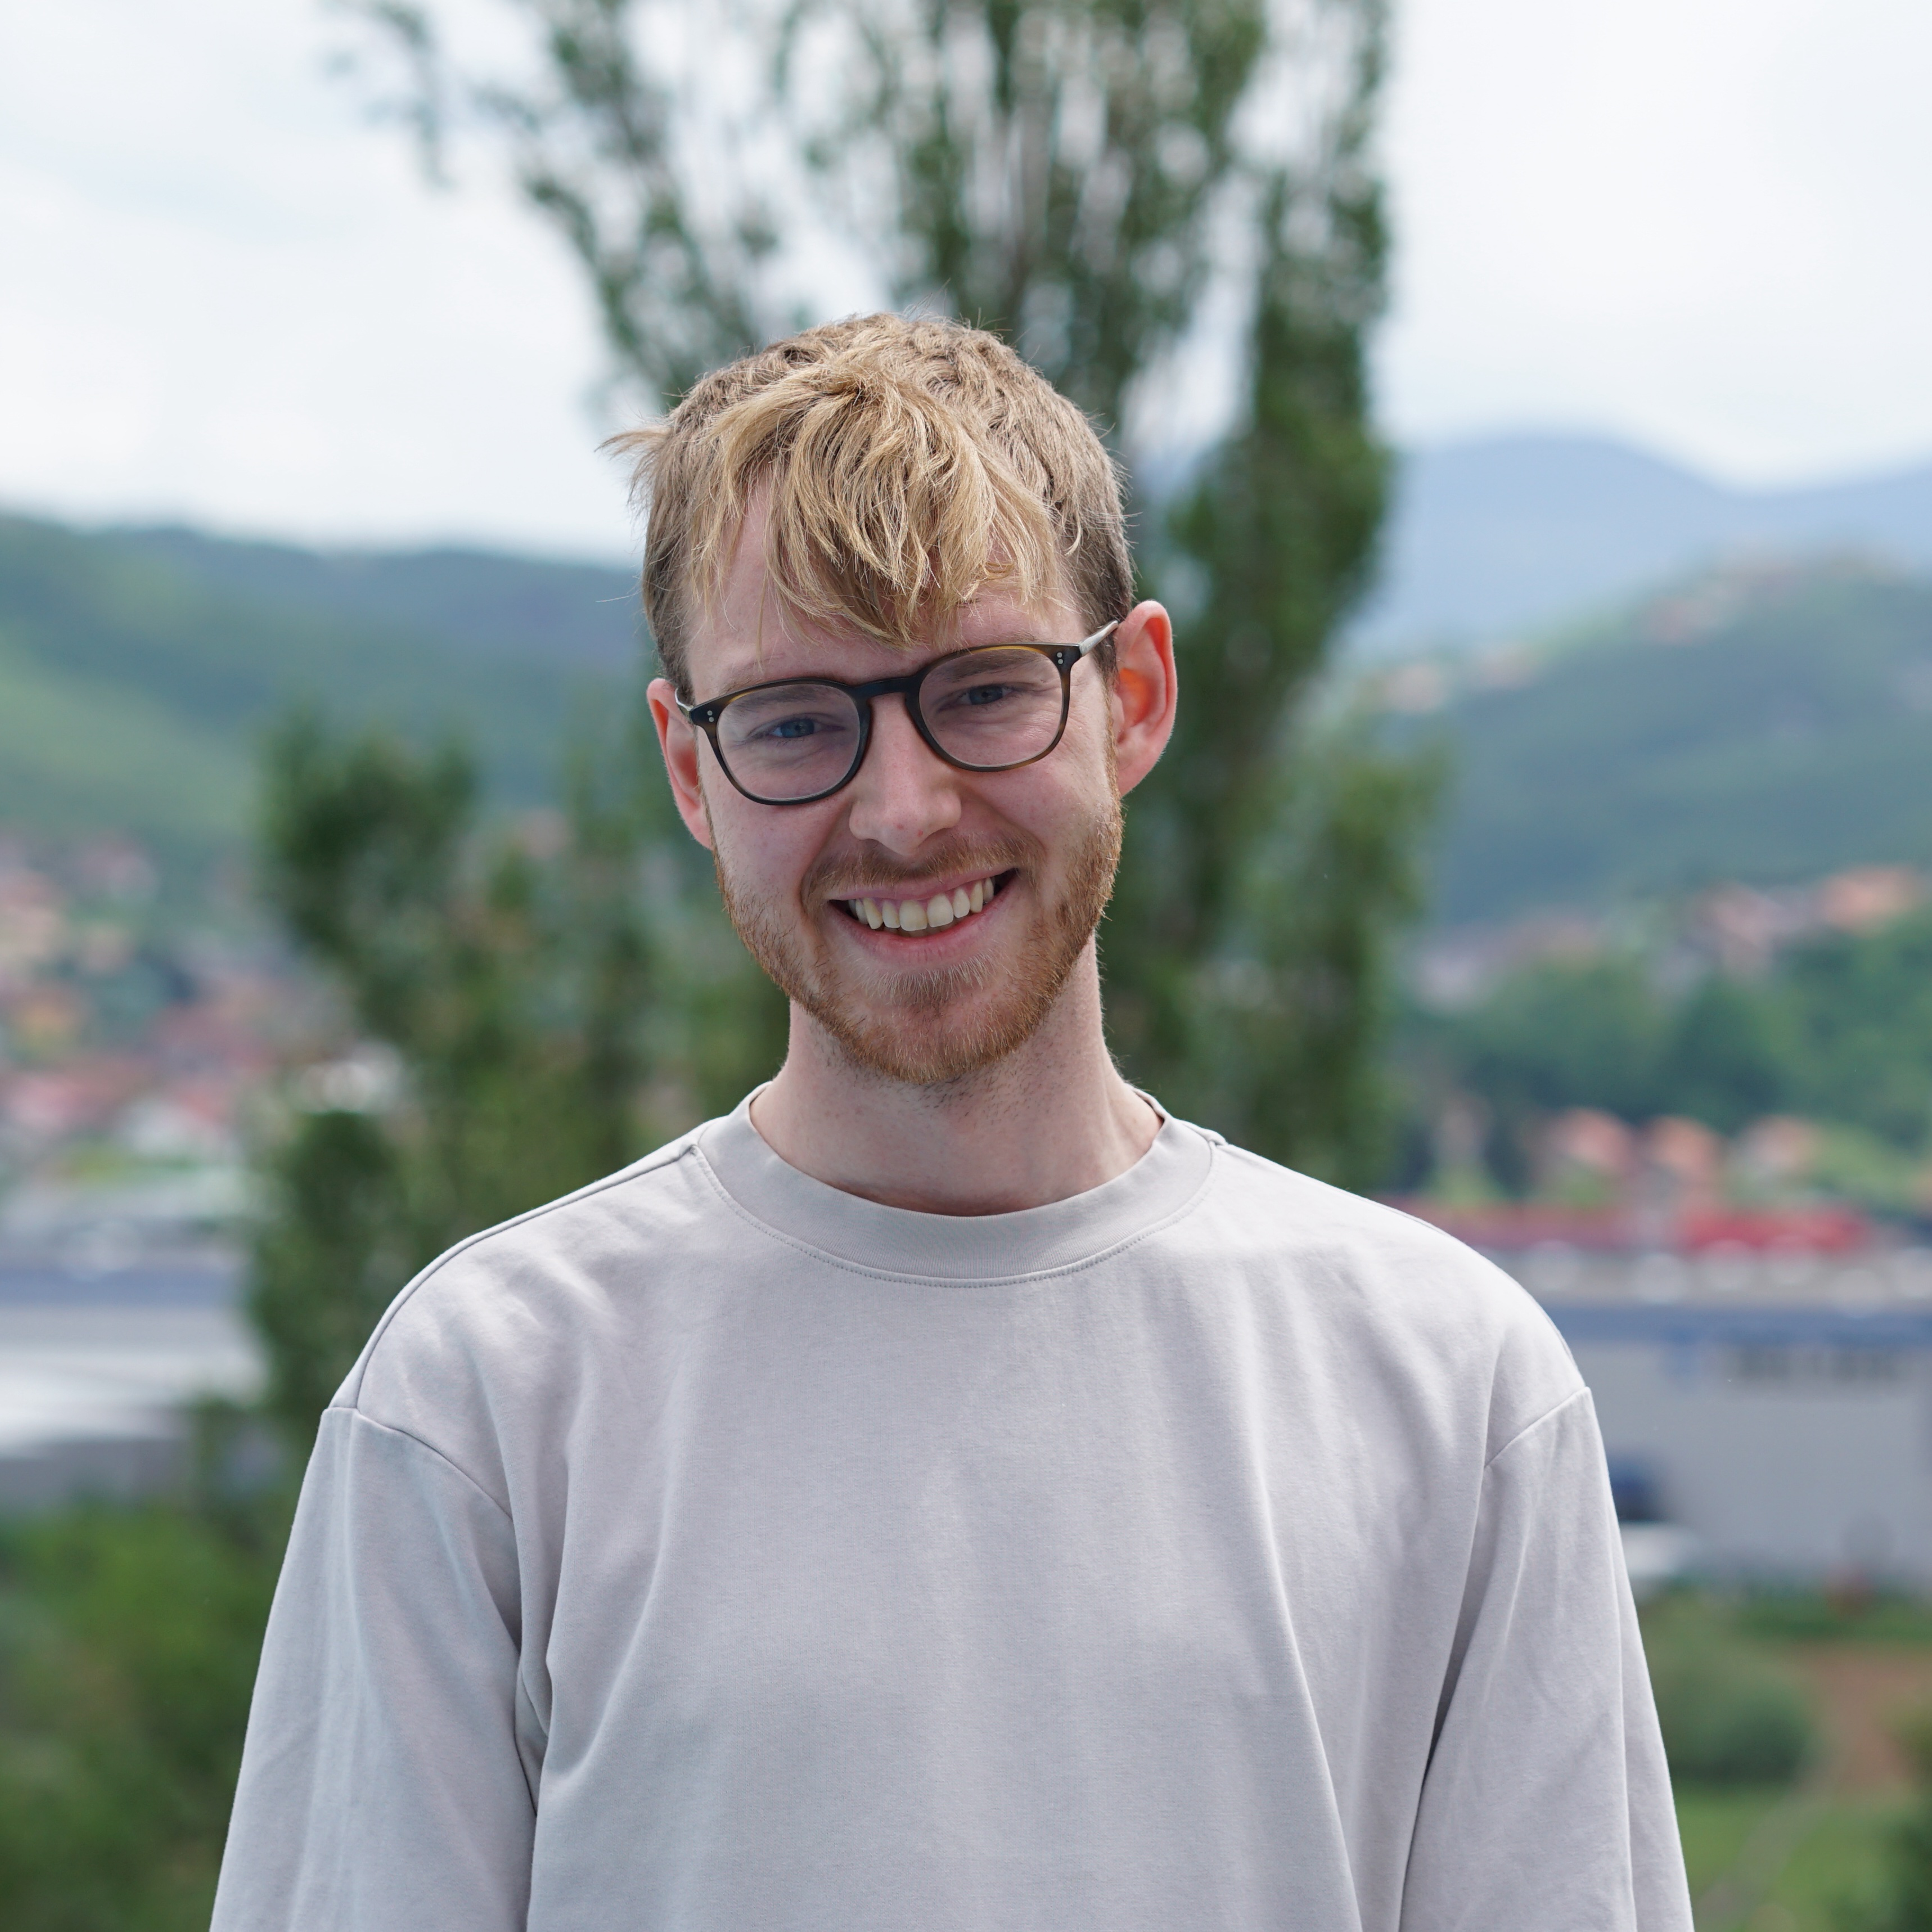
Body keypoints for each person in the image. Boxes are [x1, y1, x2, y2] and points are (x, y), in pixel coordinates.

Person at [212, 314, 1691, 1931]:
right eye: (794, 720)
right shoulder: (484, 1401)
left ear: (1132, 697)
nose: (904, 811)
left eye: (983, 692)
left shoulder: (1453, 1392)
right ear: (689, 770)